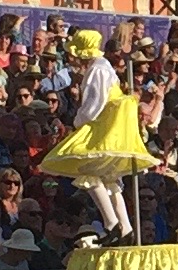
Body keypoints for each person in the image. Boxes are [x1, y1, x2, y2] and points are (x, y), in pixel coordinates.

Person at [39, 27, 149, 243]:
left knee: (87, 168)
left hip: (105, 127)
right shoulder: (101, 67)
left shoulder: (97, 69)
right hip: (110, 126)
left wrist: (79, 122)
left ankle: (113, 223)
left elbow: (94, 103)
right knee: (107, 176)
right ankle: (124, 227)